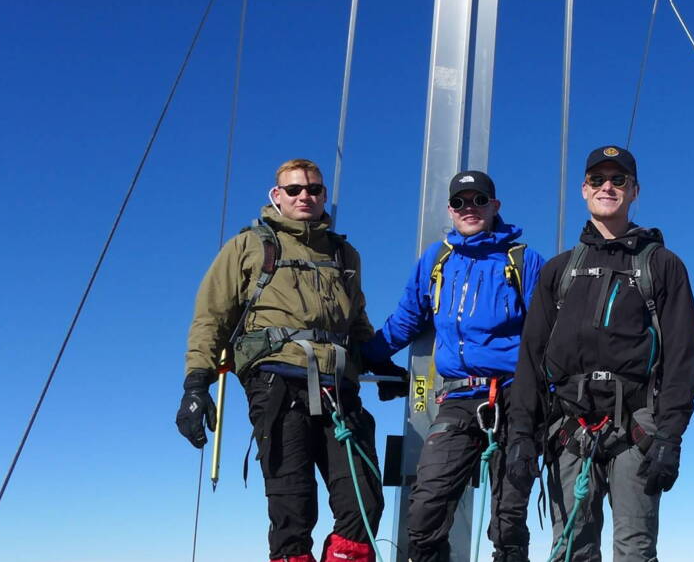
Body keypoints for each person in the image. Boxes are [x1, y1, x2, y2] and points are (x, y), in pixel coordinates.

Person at [176, 158, 404, 562]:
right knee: (292, 508)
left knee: (363, 502)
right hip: (276, 384)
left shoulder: (344, 253)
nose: (305, 196)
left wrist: (379, 363)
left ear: (324, 197)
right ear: (276, 196)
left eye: (314, 189)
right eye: (295, 189)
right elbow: (211, 317)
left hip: (338, 386)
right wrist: (196, 384)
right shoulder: (249, 246)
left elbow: (357, 321)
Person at [506, 145, 694, 562]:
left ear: (634, 191)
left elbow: (683, 357)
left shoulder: (663, 266)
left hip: (638, 428)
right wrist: (522, 433)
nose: (607, 187)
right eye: (598, 179)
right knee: (571, 549)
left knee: (634, 551)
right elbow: (531, 357)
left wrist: (671, 435)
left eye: (619, 180)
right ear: (584, 189)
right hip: (568, 429)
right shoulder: (558, 271)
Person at [360, 170, 546, 562]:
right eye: (460, 202)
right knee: (426, 507)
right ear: (451, 210)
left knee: (508, 518)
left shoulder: (523, 261)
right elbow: (407, 319)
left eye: (479, 200)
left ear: (495, 206)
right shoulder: (437, 260)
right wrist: (366, 356)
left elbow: (549, 332)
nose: (469, 208)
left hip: (515, 394)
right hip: (460, 396)